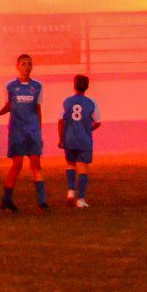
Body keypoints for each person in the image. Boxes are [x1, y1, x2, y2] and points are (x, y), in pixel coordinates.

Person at [0, 53, 48, 212]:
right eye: (23, 64)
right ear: (17, 66)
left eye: (29, 64)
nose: (27, 67)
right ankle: (6, 199)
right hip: (17, 130)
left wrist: (39, 131)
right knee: (17, 164)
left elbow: (38, 110)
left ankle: (42, 202)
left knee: (36, 164)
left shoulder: (37, 86)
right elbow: (8, 106)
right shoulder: (10, 86)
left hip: (32, 131)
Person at [57, 74, 101, 207]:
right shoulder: (91, 102)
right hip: (84, 140)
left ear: (74, 85)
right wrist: (88, 129)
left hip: (69, 139)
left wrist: (61, 139)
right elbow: (98, 122)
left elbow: (60, 121)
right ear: (87, 86)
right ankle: (80, 199)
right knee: (83, 169)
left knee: (70, 165)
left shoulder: (67, 102)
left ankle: (71, 192)